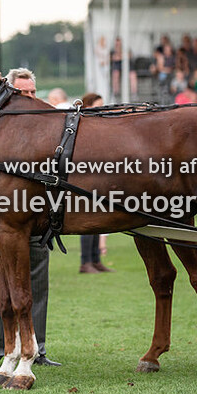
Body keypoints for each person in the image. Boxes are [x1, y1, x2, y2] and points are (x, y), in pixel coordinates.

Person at [0, 68, 60, 368]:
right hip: (4, 219)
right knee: (1, 282)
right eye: (21, 93)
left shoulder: (48, 123)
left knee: (37, 283)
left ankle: (36, 348)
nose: (28, 98)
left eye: (31, 92)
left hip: (39, 217)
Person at [78, 92, 113, 274]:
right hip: (85, 177)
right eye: (97, 105)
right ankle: (86, 262)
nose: (101, 109)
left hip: (96, 176)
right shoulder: (82, 124)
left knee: (97, 220)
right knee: (88, 221)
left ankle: (95, 260)